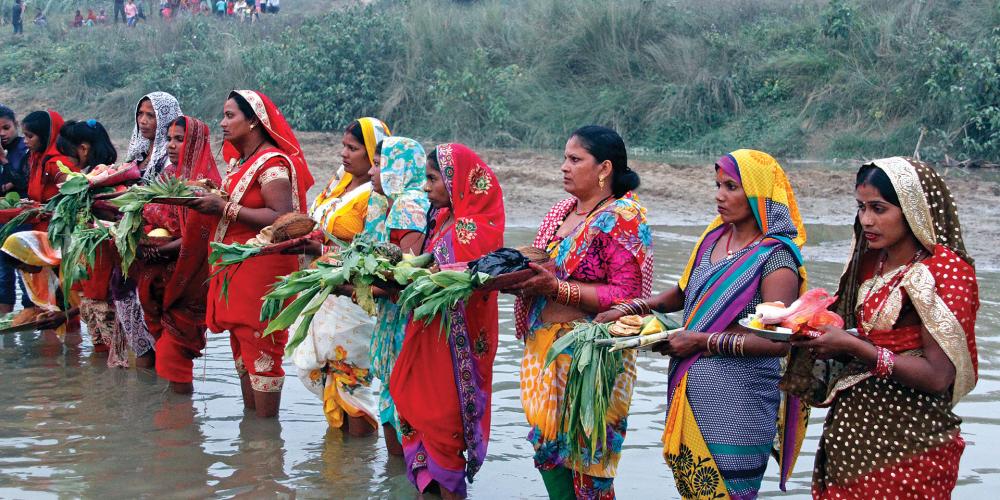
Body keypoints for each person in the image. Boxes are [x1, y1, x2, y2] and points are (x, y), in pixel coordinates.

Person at [597, 149, 808, 499]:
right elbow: (681, 293)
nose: (719, 195)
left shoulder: (776, 258)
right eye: (717, 185)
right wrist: (629, 308)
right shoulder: (713, 238)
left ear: (758, 195)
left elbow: (777, 342)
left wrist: (700, 342)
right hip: (692, 397)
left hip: (739, 407)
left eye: (731, 187)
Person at [789, 158, 978, 498]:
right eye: (861, 208)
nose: (867, 220)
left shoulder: (944, 273)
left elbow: (938, 376)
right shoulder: (869, 260)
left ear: (913, 210)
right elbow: (866, 332)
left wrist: (854, 348)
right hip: (852, 440)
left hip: (910, 445)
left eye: (879, 208)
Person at [509, 125, 652, 498]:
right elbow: (542, 266)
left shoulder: (623, 216)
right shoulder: (560, 211)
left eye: (575, 159)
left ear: (604, 168)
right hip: (545, 350)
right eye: (564, 158)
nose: (564, 167)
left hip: (593, 357)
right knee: (548, 449)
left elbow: (627, 294)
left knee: (590, 461)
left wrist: (557, 289)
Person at [187, 90, 313, 418]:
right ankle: (255, 445)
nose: (223, 123)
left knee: (262, 356)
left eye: (230, 116)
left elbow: (282, 216)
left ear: (254, 120)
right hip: (237, 275)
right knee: (244, 354)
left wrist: (224, 207)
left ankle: (265, 444)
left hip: (261, 278)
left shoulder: (271, 161)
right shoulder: (243, 162)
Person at [389, 143, 505, 499]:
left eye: (433, 179)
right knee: (420, 423)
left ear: (457, 182)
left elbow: (453, 281)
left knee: (443, 427)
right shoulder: (441, 218)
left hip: (454, 351)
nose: (426, 187)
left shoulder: (475, 229)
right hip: (427, 339)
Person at [290, 117, 388, 435]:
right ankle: (343, 467)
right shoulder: (341, 185)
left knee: (352, 379)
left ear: (373, 153)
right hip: (328, 288)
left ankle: (356, 458)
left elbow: (373, 249)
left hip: (353, 297)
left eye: (353, 148)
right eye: (343, 146)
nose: (344, 154)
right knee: (331, 372)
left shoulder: (377, 197)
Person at [136, 116, 220, 394]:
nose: (171, 145)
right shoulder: (167, 176)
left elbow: (201, 238)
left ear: (196, 142)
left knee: (176, 354)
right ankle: (177, 423)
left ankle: (179, 424)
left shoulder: (208, 184)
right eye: (169, 138)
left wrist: (163, 248)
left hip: (189, 281)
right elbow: (148, 214)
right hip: (159, 275)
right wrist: (145, 241)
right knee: (165, 351)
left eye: (179, 139)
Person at [365, 135, 430, 456]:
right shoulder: (387, 203)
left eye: (379, 164)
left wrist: (351, 287)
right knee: (392, 396)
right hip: (392, 317)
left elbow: (403, 278)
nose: (371, 172)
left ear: (399, 167)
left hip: (405, 318)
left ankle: (406, 474)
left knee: (402, 400)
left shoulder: (408, 205)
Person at [54, 119, 119, 355]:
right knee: (104, 348)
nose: (68, 162)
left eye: (69, 154)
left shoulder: (104, 179)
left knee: (110, 348)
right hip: (94, 275)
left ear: (83, 149)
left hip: (103, 275)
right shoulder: (94, 178)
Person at [0, 105, 33, 315]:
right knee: (2, 274)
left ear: (16, 126)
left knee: (24, 271)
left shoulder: (24, 149)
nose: (2, 134)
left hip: (22, 221)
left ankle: (31, 315)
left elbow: (25, 182)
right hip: (2, 221)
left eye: (6, 127)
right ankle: (6, 329)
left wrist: (3, 161)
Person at [21, 110, 78, 214]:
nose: (25, 141)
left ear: (45, 137)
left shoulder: (57, 164)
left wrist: (40, 209)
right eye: (24, 136)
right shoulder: (37, 158)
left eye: (30, 136)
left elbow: (75, 202)